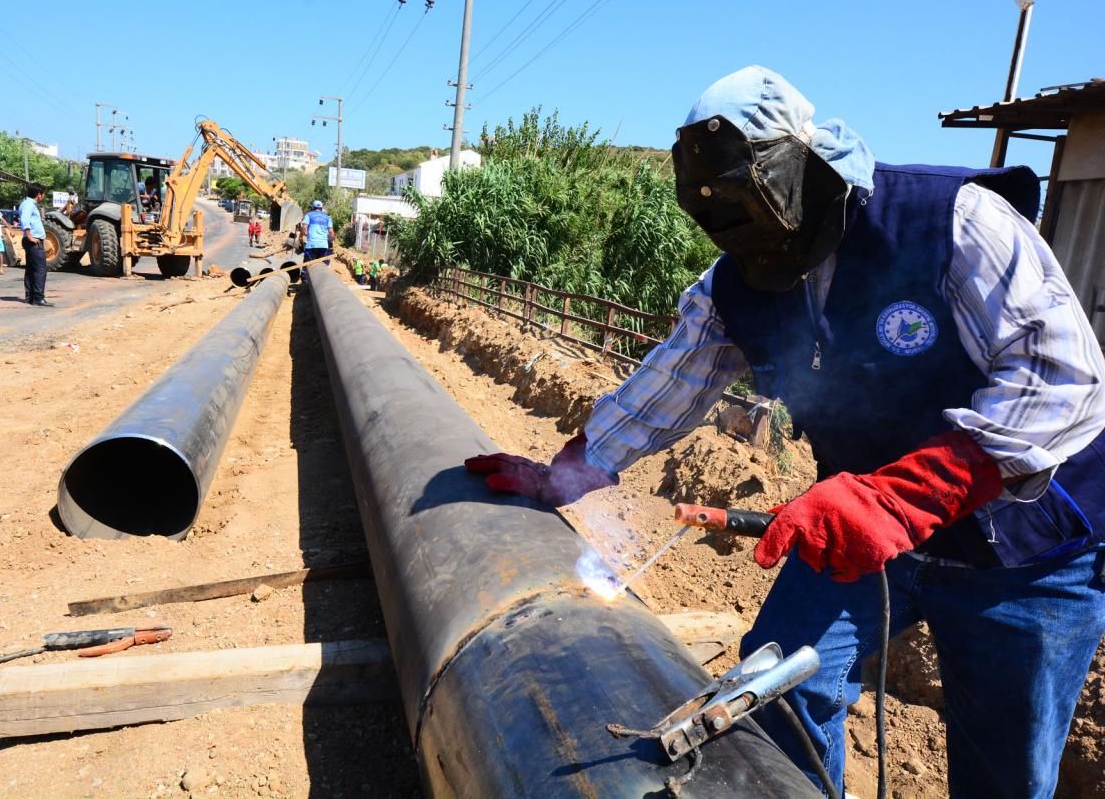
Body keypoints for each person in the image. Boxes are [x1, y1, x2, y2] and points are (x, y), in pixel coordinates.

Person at [464, 66, 1105, 798]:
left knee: (1003, 775)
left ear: (806, 166)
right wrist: (573, 468)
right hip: (867, 535)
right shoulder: (733, 285)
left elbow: (1062, 375)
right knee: (775, 686)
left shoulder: (951, 222)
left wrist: (903, 496)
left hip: (1025, 552)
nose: (759, 257)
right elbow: (670, 384)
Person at [18, 183, 52, 307]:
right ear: (39, 194)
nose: (43, 196)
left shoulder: (28, 204)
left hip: (32, 240)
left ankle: (30, 296)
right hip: (33, 241)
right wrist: (29, 236)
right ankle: (38, 297)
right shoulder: (28, 205)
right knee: (40, 269)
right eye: (43, 194)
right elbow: (25, 220)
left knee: (31, 269)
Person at [299, 200, 333, 286]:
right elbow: (331, 233)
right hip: (323, 246)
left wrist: (302, 235)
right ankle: (321, 285)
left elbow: (304, 228)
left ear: (313, 207)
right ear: (321, 208)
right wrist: (330, 244)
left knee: (307, 266)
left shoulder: (309, 215)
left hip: (311, 245)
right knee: (322, 266)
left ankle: (306, 285)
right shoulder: (327, 217)